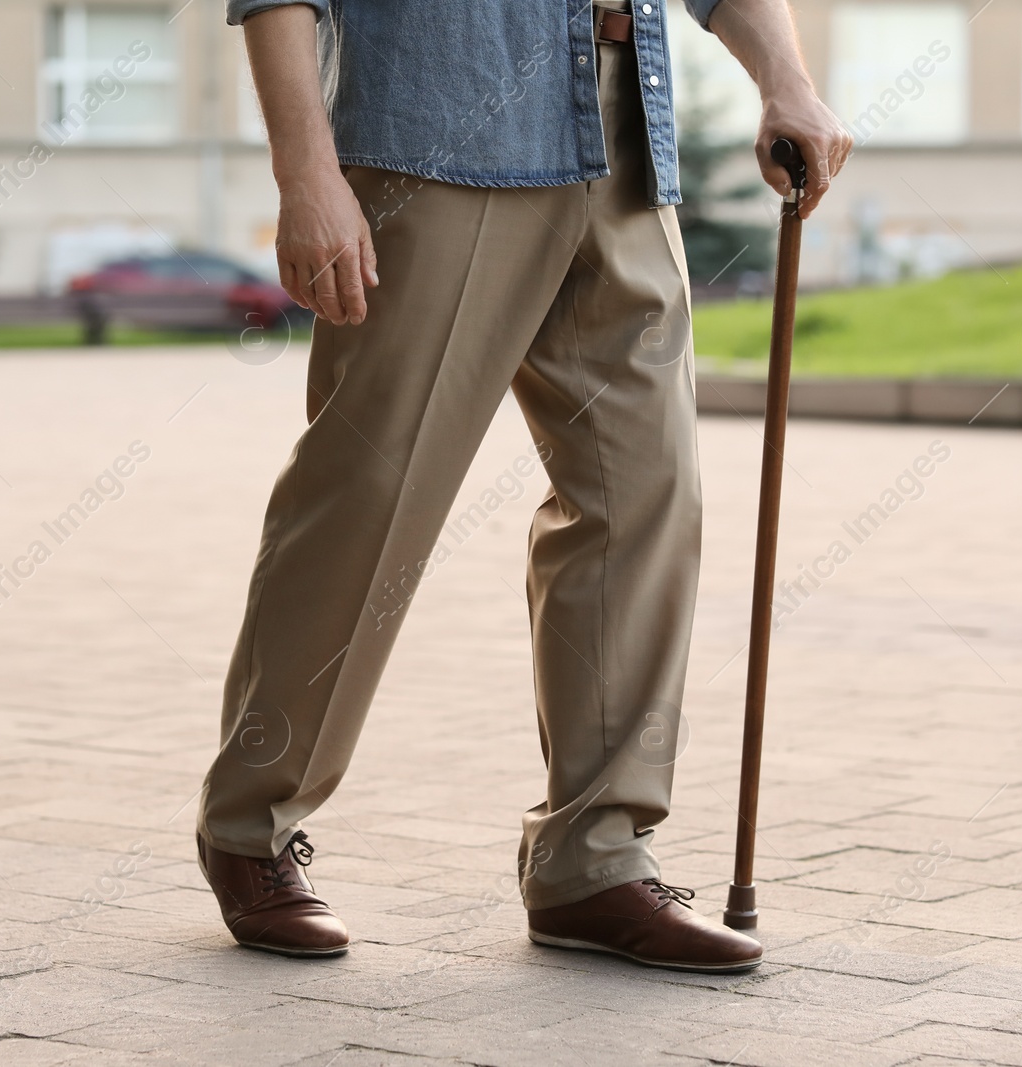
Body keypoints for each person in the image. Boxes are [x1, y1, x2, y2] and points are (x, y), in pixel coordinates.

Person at [197, 0, 851, 973]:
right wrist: (305, 172)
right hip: (439, 134)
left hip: (622, 138)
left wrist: (785, 78)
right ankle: (250, 824)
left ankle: (593, 858)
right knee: (372, 495)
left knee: (646, 494)